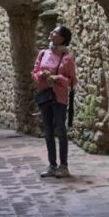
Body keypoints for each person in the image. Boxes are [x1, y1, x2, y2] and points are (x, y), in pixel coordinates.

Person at [31, 25, 77, 178]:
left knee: (61, 131)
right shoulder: (43, 53)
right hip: (45, 95)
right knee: (48, 131)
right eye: (53, 30)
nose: (51, 32)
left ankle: (64, 166)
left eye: (55, 32)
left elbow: (72, 81)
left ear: (62, 38)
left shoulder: (67, 58)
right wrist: (41, 75)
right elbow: (34, 72)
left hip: (59, 98)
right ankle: (52, 165)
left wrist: (59, 78)